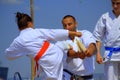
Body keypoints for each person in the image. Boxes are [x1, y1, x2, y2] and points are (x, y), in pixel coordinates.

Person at [5, 12, 82, 80]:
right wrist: (74, 33)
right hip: (54, 54)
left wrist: (24, 52)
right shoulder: (37, 31)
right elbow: (53, 33)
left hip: (50, 59)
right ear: (30, 23)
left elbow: (8, 55)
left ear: (18, 28)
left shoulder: (18, 41)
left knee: (52, 77)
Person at [62, 15, 96, 80]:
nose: (67, 27)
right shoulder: (62, 40)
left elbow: (92, 45)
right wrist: (79, 54)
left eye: (69, 24)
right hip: (69, 76)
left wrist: (89, 52)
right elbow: (70, 53)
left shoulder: (85, 33)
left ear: (76, 24)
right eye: (64, 25)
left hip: (87, 77)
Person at [93, 0, 120, 80]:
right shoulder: (105, 17)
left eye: (118, 3)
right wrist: (98, 53)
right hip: (110, 55)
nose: (115, 6)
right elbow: (97, 37)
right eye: (113, 3)